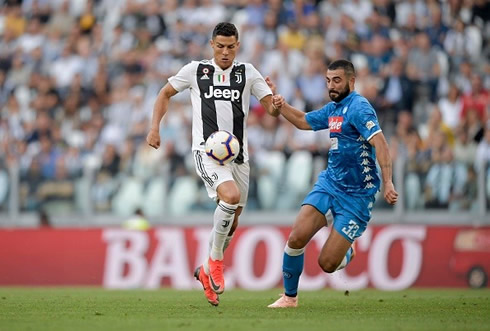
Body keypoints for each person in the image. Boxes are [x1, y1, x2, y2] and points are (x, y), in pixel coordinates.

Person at [146, 22, 279, 306]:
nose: (225, 52)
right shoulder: (196, 70)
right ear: (211, 45)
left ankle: (205, 272)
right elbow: (164, 93)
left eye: (231, 47)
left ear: (238, 46)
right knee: (229, 197)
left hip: (239, 156)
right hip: (207, 153)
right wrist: (155, 127)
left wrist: (275, 102)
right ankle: (216, 262)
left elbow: (269, 108)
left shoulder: (247, 72)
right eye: (220, 46)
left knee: (232, 223)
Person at [267, 59, 398, 308]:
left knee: (327, 264)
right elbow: (304, 121)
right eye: (328, 80)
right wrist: (281, 105)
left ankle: (347, 250)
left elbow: (380, 143)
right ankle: (289, 298)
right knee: (296, 238)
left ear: (351, 81)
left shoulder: (359, 108)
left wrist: (389, 182)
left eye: (336, 80)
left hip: (357, 196)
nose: (331, 86)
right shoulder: (334, 109)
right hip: (330, 184)